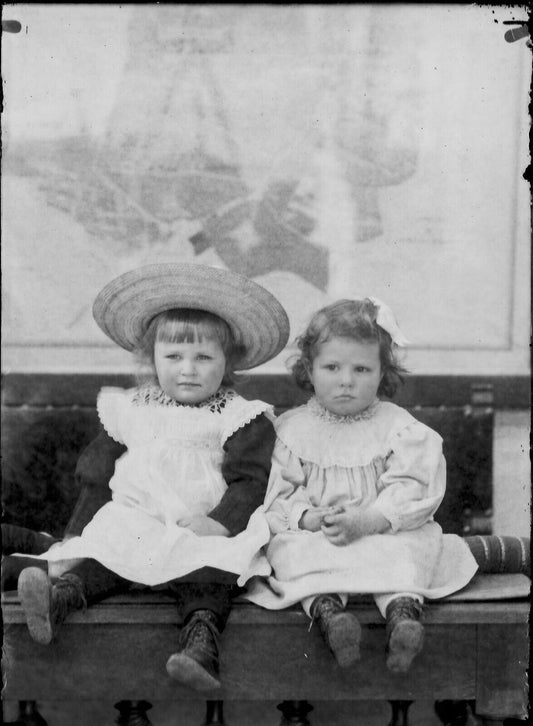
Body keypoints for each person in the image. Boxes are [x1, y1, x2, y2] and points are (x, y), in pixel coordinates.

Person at [16, 262, 290, 693]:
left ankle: (200, 645)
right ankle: (59, 598)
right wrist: (75, 536)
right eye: (173, 357)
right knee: (107, 551)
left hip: (202, 527)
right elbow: (97, 476)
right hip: (141, 520)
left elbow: (251, 480)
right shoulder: (132, 408)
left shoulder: (240, 416)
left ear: (228, 361)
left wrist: (219, 522)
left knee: (212, 573)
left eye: (204, 358)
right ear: (152, 357)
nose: (188, 369)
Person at [246, 298, 478, 673]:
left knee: (410, 549)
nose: (346, 381)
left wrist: (372, 519)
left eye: (362, 369)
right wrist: (305, 517)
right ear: (310, 368)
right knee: (290, 551)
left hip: (382, 531)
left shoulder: (398, 427)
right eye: (332, 367)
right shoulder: (291, 430)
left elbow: (414, 488)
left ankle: (403, 618)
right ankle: (332, 618)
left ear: (382, 372)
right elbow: (279, 493)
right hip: (319, 537)